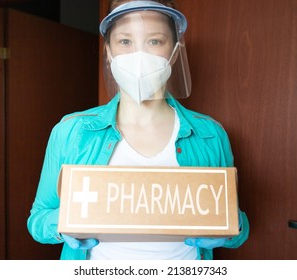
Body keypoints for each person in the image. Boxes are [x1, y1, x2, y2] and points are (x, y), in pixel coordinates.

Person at [27, 0, 249, 260]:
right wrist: (64, 222)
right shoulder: (73, 131)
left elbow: (237, 226)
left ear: (174, 52)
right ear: (109, 52)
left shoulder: (210, 134)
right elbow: (38, 220)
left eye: (155, 41)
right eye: (125, 42)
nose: (139, 55)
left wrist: (233, 227)